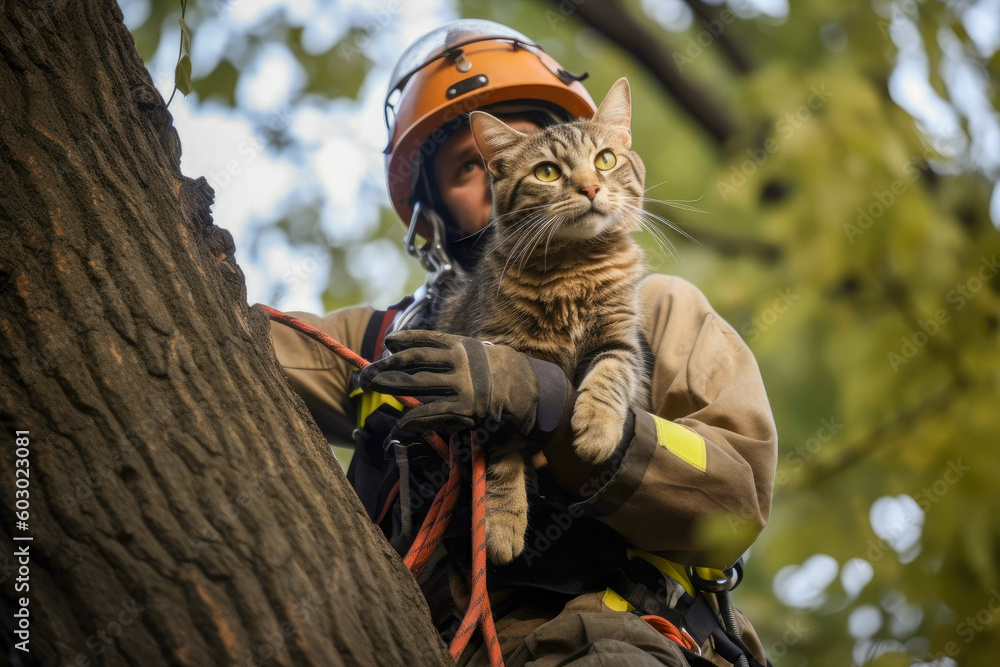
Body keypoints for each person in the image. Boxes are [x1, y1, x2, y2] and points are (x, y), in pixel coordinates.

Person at [268, 19, 777, 667]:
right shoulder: (384, 340)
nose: (549, 179)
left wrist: (555, 407)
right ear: (433, 217)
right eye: (470, 167)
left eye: (546, 149)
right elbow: (223, 337)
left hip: (610, 640)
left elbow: (735, 499)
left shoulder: (657, 306)